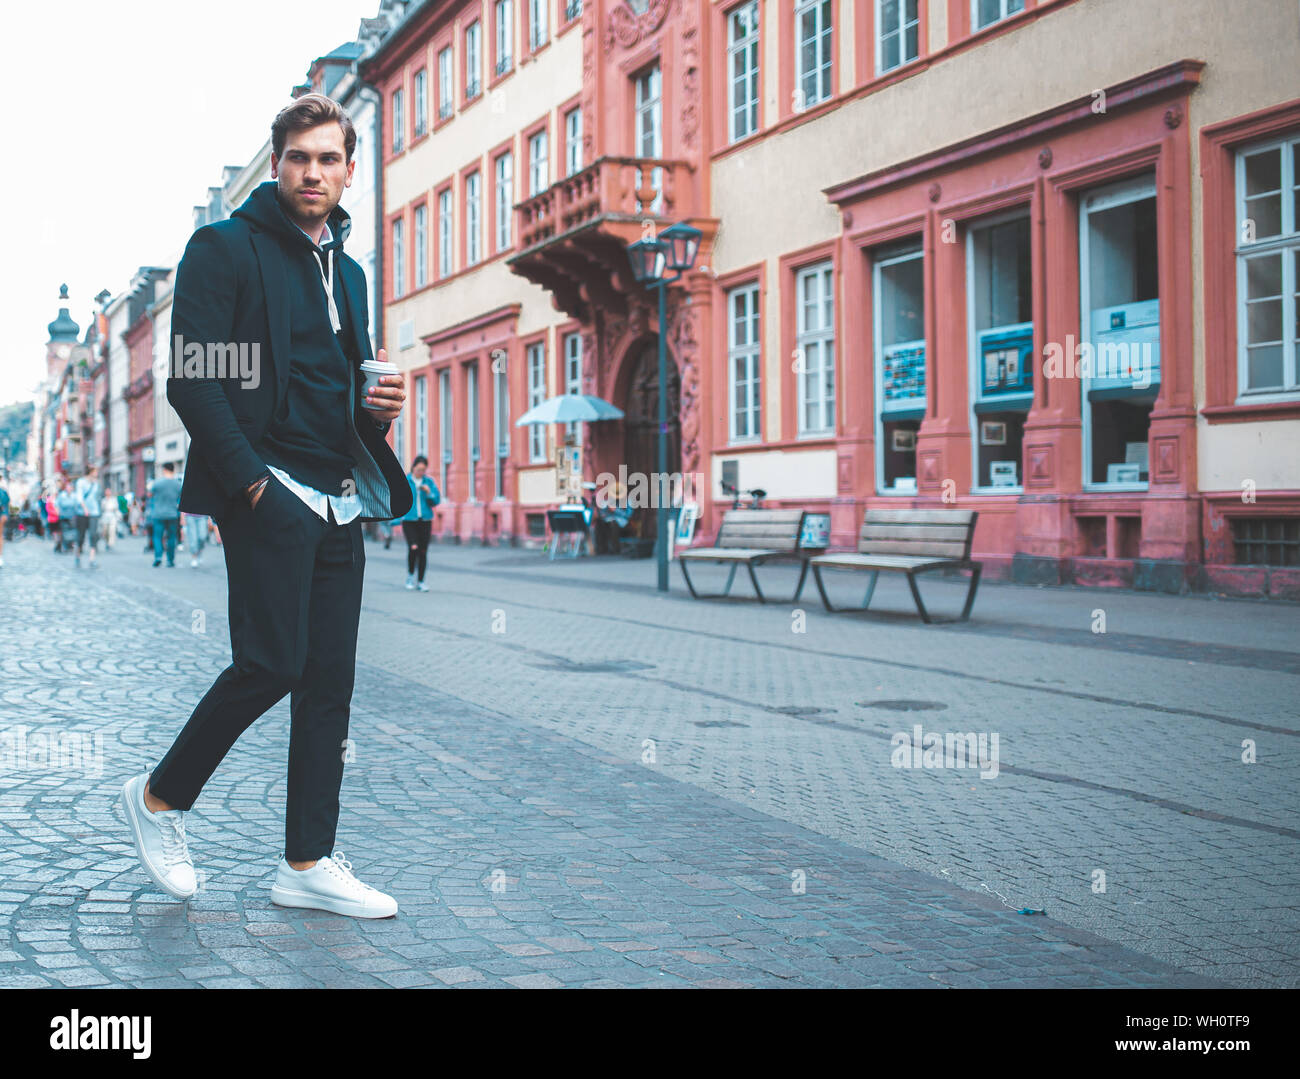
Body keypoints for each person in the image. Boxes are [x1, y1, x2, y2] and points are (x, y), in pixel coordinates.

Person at [120, 94, 412, 920]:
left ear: (350, 169)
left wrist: (377, 413)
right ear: (277, 162)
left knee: (328, 684)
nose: (313, 172)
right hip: (271, 491)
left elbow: (335, 394)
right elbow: (192, 378)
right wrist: (252, 485)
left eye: (329, 158)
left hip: (341, 497)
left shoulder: (349, 274)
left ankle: (307, 860)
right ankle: (156, 801)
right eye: (298, 157)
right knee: (272, 662)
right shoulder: (224, 248)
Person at [399, 455, 439, 591]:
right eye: (419, 469)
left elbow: (436, 500)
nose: (421, 472)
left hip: (425, 520)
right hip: (409, 520)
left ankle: (421, 581)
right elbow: (400, 500)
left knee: (423, 551)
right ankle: (410, 575)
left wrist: (429, 493)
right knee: (413, 548)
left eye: (423, 470)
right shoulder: (406, 480)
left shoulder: (428, 482)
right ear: (413, 467)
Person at [149, 463, 182, 567]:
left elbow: (149, 494)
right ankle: (170, 560)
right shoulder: (178, 484)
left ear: (164, 470)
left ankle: (158, 557)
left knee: (157, 537)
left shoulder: (157, 483)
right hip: (173, 514)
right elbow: (180, 499)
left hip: (158, 514)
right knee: (171, 537)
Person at [73, 466, 103, 570]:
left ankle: (92, 559)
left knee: (93, 535)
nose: (96, 474)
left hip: (94, 512)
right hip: (82, 513)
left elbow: (97, 498)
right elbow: (79, 497)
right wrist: (85, 509)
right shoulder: (81, 482)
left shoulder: (96, 484)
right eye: (95, 472)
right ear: (90, 472)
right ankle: (77, 556)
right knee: (80, 536)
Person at [55, 480, 78, 554]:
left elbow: (78, 505)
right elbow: (57, 504)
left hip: (72, 517)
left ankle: (70, 546)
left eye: (70, 487)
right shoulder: (62, 495)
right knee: (64, 532)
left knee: (72, 532)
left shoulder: (74, 495)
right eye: (67, 487)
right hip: (63, 517)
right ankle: (65, 547)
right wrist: (58, 512)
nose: (69, 489)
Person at [99, 483, 120, 551]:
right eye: (106, 491)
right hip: (105, 516)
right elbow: (101, 509)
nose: (108, 492)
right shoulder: (103, 500)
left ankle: (110, 544)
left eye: (109, 491)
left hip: (112, 516)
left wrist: (118, 517)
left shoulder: (114, 500)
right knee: (105, 531)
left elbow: (117, 509)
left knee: (112, 531)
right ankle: (106, 542)